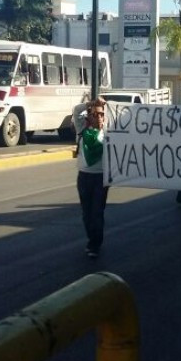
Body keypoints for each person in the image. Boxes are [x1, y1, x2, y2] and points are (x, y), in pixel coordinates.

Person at [74, 97, 109, 258]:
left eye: (101, 115)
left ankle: (95, 244)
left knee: (97, 212)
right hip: (84, 178)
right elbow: (76, 111)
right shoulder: (82, 131)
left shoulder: (108, 132)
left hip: (101, 179)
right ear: (89, 118)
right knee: (86, 213)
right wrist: (91, 103)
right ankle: (91, 237)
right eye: (95, 115)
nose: (99, 118)